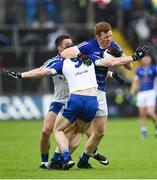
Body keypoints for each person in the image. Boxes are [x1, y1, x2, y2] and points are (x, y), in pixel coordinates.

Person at [3, 43, 149, 170]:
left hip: (75, 99)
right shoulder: (89, 58)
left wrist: (21, 75)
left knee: (58, 129)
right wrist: (134, 57)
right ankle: (73, 158)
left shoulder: (62, 63)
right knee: (78, 132)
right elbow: (109, 64)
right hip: (92, 100)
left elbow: (41, 72)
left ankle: (64, 158)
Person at [61, 21, 133, 168]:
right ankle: (59, 159)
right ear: (98, 37)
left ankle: (84, 161)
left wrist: (120, 54)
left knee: (100, 132)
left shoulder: (114, 46)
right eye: (106, 37)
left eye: (111, 36)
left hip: (100, 93)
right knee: (75, 130)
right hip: (85, 91)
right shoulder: (88, 46)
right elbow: (64, 53)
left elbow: (130, 66)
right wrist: (80, 55)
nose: (109, 39)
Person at [128, 55, 157, 138]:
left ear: (150, 59)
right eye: (144, 58)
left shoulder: (154, 68)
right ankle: (143, 130)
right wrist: (131, 93)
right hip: (141, 93)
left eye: (148, 58)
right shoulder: (138, 70)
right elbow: (135, 82)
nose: (146, 60)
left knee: (150, 112)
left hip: (151, 92)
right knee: (142, 113)